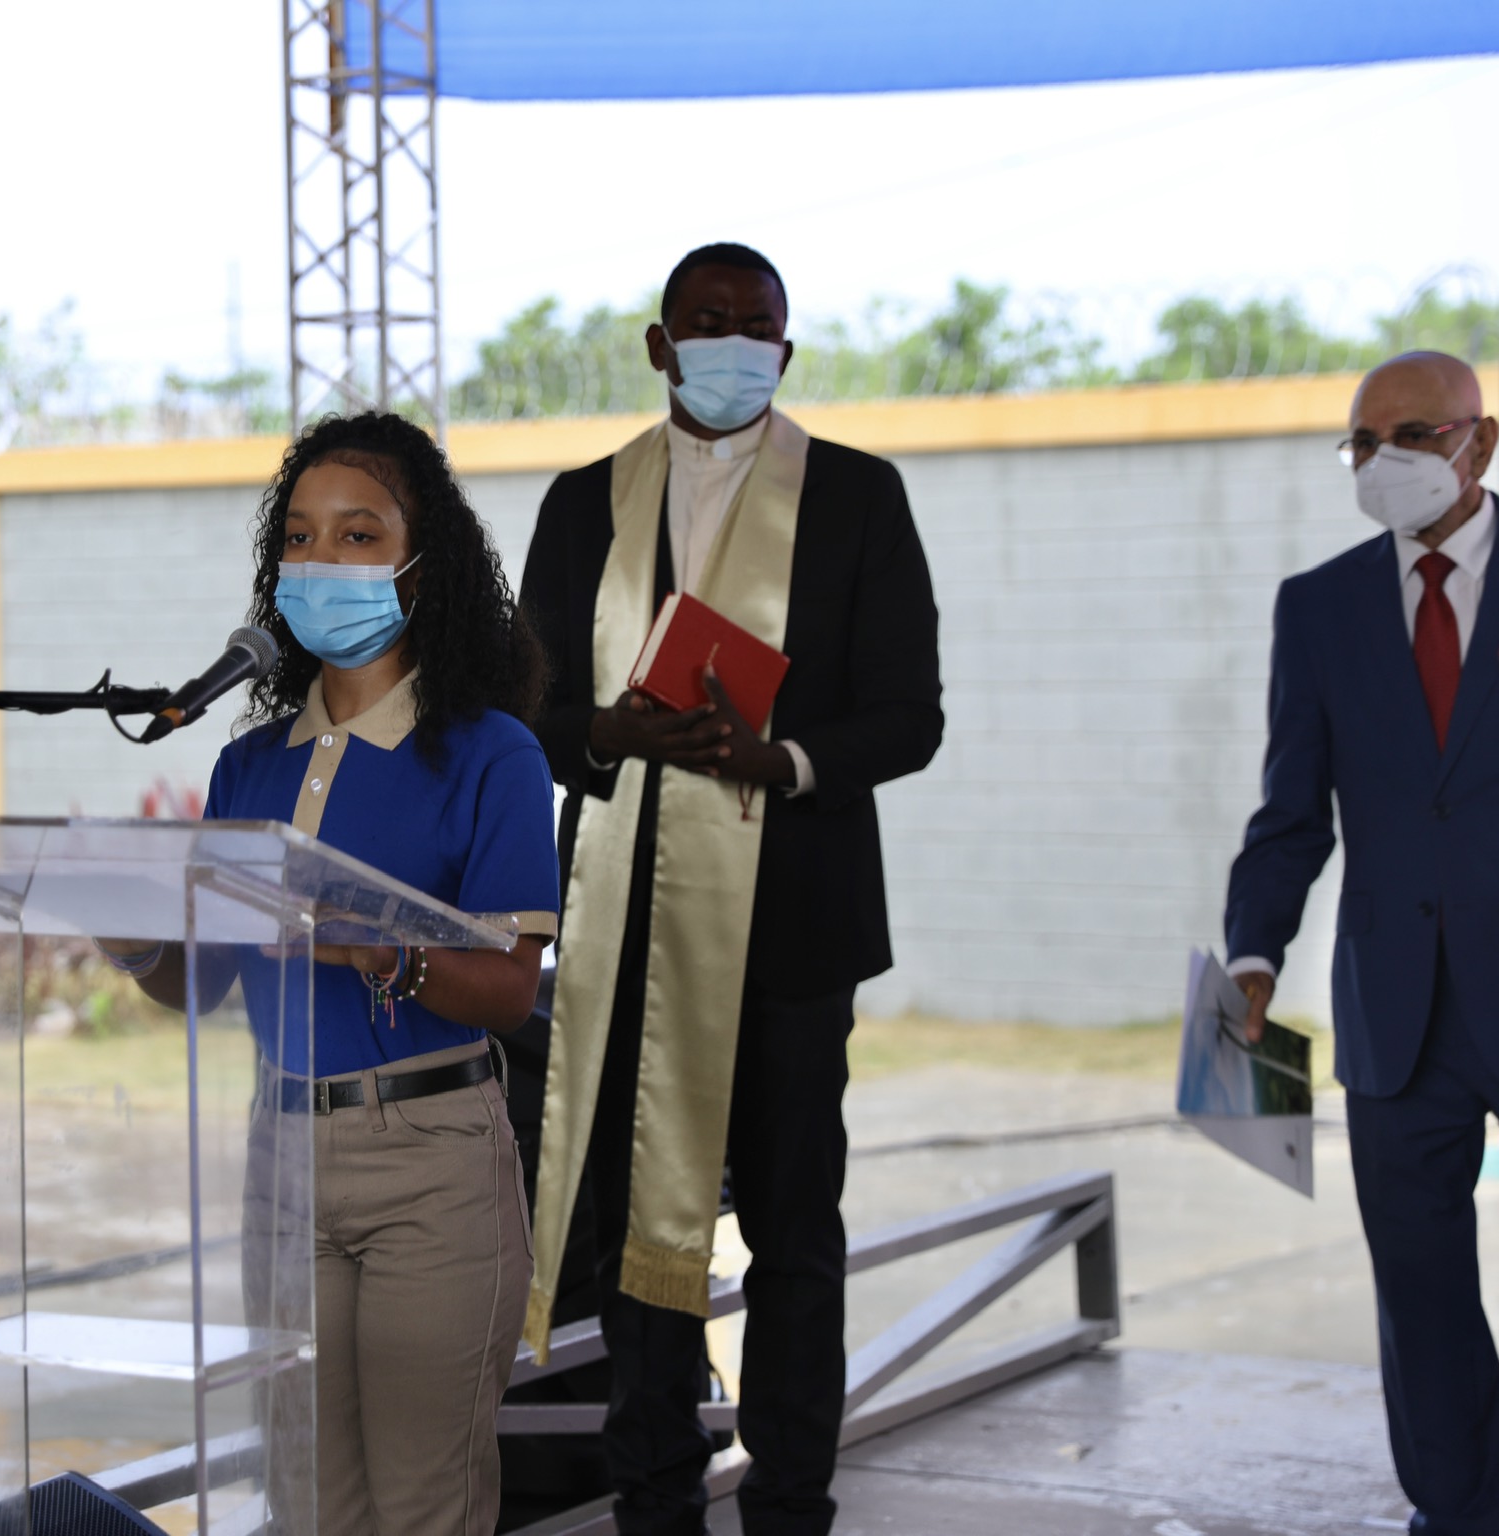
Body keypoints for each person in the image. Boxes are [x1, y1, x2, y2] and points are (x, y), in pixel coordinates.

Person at [517, 242, 943, 1536]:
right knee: (636, 1242)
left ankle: (792, 1503)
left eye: (758, 327)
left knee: (797, 1236)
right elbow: (525, 712)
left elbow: (910, 715)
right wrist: (609, 731)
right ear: (661, 346)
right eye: (708, 323)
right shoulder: (583, 502)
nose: (734, 346)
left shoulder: (858, 496)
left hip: (795, 930)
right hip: (629, 928)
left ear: (786, 351)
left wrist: (782, 759)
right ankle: (655, 1501)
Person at [104, 410, 558, 1534]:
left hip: (430, 1163)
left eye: (359, 535)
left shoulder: (492, 753)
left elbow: (510, 990)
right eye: (299, 538)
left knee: (421, 1505)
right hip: (279, 1160)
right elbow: (202, 985)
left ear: (422, 565)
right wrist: (130, 935)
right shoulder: (246, 764)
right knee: (306, 1506)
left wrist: (379, 950)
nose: (322, 561)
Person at [1224, 351, 1499, 1536]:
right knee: (1422, 1300)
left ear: (1481, 441)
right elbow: (1290, 810)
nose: (1384, 460)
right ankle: (1454, 1517)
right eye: (1364, 441)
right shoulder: (1320, 607)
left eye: (1414, 435)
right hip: (1395, 1018)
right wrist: (1253, 955)